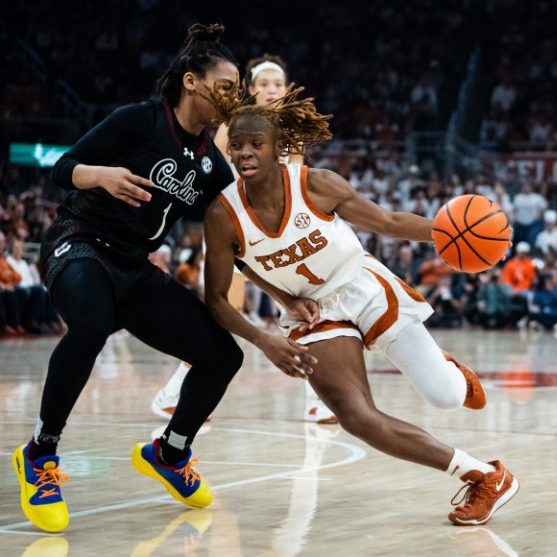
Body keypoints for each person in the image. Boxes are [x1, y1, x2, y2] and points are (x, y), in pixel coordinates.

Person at [11, 24, 303, 533]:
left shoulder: (213, 166)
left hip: (134, 267)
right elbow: (62, 166)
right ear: (191, 81)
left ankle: (169, 453)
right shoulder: (140, 121)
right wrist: (100, 175)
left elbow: (238, 246)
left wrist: (284, 297)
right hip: (79, 241)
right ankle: (39, 454)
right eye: (226, 86)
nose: (233, 96)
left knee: (223, 356)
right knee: (91, 322)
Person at [203, 89, 517, 526]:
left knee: (444, 396)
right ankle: (484, 476)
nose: (244, 152)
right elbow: (218, 295)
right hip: (315, 315)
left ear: (278, 148)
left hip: (361, 285)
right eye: (237, 145)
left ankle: (451, 374)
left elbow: (388, 222)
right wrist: (266, 336)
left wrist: (452, 235)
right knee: (356, 417)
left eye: (256, 143)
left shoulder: (316, 184)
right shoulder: (223, 215)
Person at [153, 53, 338, 424]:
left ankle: (317, 400)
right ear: (251, 90)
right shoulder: (232, 124)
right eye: (264, 84)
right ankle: (172, 394)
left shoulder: (294, 132)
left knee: (306, 310)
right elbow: (215, 176)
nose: (271, 90)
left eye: (277, 84)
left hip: (277, 232)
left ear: (287, 89)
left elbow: (295, 187)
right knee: (225, 314)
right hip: (235, 227)